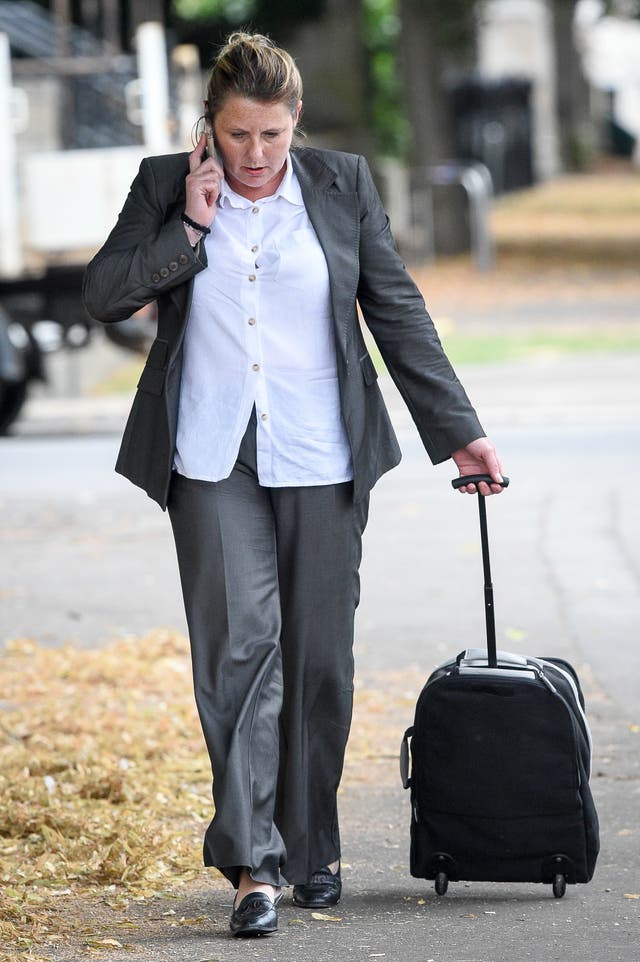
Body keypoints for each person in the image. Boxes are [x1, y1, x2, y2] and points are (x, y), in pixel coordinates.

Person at [83, 31, 505, 938]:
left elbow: (395, 309)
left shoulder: (343, 184)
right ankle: (253, 866)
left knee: (318, 662)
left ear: (296, 121)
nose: (256, 156)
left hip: (322, 450)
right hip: (210, 453)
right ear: (211, 127)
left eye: (272, 135)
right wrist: (189, 228)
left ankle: (313, 851)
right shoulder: (167, 185)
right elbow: (105, 295)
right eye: (237, 136)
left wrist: (458, 433)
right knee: (239, 650)